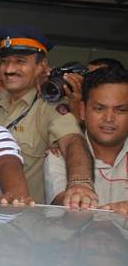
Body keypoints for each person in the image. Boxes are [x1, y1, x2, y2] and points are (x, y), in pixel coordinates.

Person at [0, 27, 97, 207]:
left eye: (20, 61)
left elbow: (73, 141)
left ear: (41, 66)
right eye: (5, 61)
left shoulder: (49, 107)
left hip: (29, 221)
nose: (9, 69)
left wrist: (80, 183)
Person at [44, 67, 128, 214]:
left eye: (121, 110)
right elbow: (64, 207)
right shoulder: (61, 154)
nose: (109, 118)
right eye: (99, 108)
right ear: (82, 110)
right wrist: (76, 200)